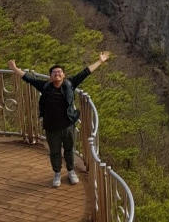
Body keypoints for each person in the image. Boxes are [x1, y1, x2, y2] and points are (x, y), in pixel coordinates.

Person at [8, 52, 110, 187]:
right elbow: (28, 78)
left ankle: (70, 171)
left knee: (69, 150)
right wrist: (15, 69)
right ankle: (57, 173)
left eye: (60, 72)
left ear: (64, 75)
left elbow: (85, 72)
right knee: (55, 152)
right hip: (51, 127)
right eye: (54, 72)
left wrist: (100, 61)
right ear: (50, 77)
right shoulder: (44, 87)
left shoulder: (69, 84)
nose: (57, 74)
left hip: (68, 126)